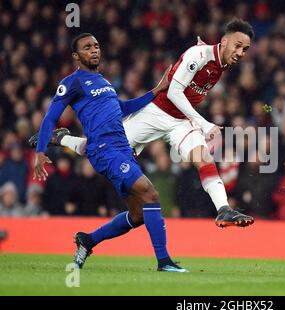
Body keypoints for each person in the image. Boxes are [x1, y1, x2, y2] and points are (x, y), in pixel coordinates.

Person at [31, 19, 256, 228]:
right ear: (224, 41)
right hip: (154, 112)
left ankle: (223, 209)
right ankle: (61, 138)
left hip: (181, 121)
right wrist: (204, 123)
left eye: (245, 49)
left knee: (203, 158)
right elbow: (174, 93)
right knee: (101, 148)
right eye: (237, 45)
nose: (240, 53)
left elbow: (207, 58)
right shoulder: (198, 55)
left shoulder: (221, 60)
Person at [33, 33, 187, 272]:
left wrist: (156, 90)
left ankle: (88, 240)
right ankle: (164, 262)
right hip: (105, 150)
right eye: (87, 47)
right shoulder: (72, 82)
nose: (94, 50)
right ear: (76, 56)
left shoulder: (105, 82)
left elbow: (123, 108)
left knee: (138, 215)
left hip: (122, 148)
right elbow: (50, 117)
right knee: (151, 194)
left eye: (96, 46)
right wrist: (40, 152)